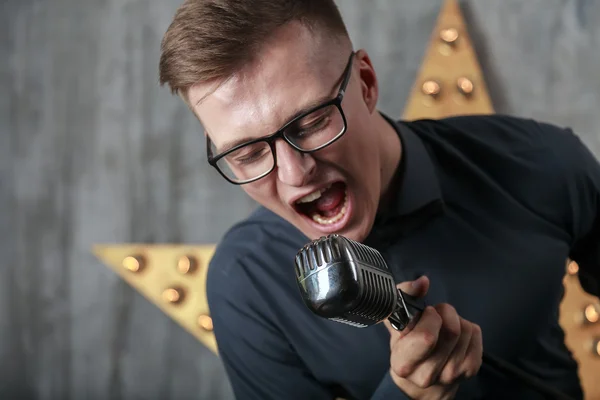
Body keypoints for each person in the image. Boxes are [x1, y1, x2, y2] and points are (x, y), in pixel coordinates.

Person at [158, 1, 599, 399]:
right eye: (248, 153)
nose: (295, 174)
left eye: (311, 121)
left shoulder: (541, 163)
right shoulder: (244, 281)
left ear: (366, 83)